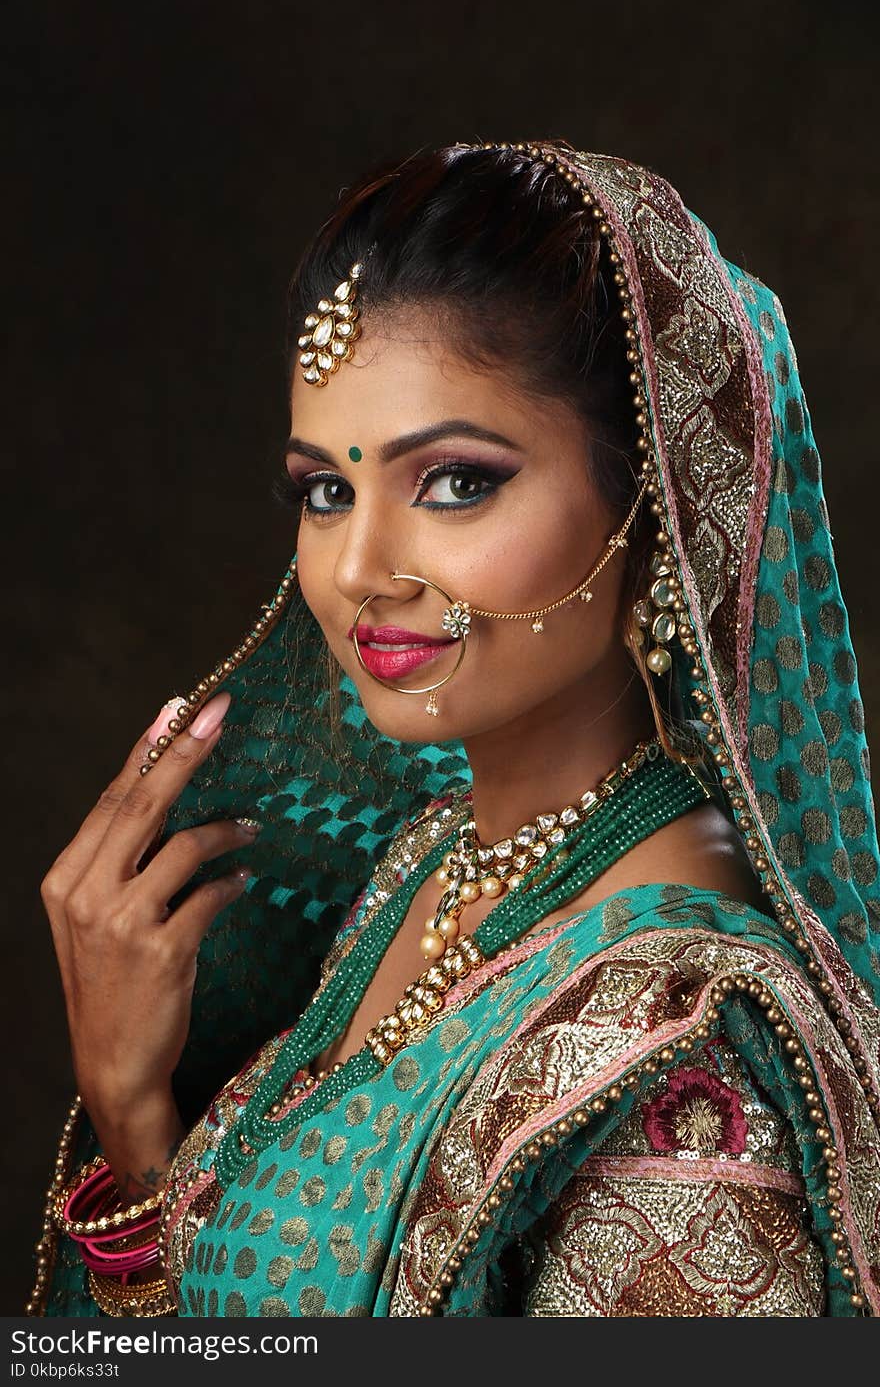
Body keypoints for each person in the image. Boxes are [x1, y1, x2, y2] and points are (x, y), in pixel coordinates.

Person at [31, 139, 880, 1318]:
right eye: (326, 490)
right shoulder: (428, 862)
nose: (358, 571)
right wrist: (131, 1120)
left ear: (655, 509)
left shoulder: (684, 1048)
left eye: (454, 483)